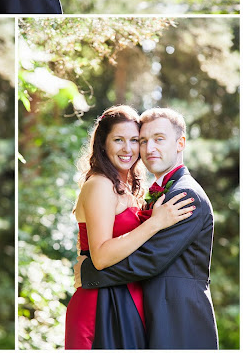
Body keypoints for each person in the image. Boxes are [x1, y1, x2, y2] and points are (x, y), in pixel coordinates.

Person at [77, 107, 219, 350]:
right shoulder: (151, 192)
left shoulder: (185, 194)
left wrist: (88, 272)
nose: (149, 148)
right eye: (143, 140)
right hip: (145, 311)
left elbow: (149, 259)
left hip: (180, 319)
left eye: (159, 139)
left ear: (180, 143)